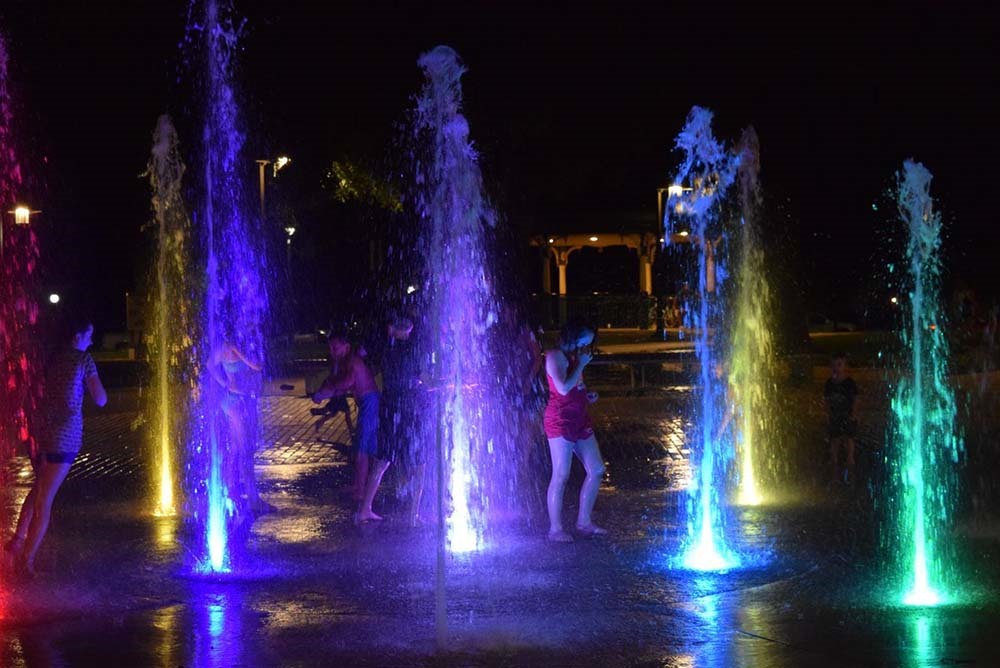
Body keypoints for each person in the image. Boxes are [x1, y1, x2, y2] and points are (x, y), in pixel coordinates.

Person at [6, 316, 106, 576]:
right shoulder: (84, 360)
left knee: (39, 487)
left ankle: (17, 542)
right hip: (65, 436)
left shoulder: (50, 358)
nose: (92, 341)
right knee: (45, 501)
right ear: (76, 337)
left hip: (40, 434)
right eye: (89, 336)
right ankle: (26, 562)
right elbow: (101, 399)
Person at [543, 317, 606, 542]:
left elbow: (574, 386)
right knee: (561, 474)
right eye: (583, 342)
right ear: (572, 336)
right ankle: (555, 529)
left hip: (580, 418)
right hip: (560, 420)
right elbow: (561, 388)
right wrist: (580, 364)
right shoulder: (555, 356)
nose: (585, 347)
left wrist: (586, 395)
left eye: (588, 343)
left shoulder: (573, 357)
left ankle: (584, 522)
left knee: (597, 469)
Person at [313, 331, 384, 521]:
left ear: (346, 347)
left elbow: (345, 383)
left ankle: (361, 491)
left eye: (335, 347)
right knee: (365, 446)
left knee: (362, 446)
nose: (332, 351)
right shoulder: (345, 361)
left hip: (370, 402)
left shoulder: (352, 362)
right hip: (367, 403)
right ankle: (360, 486)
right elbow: (337, 383)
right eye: (330, 347)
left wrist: (326, 389)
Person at [374, 315, 427, 526]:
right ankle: (413, 515)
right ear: (407, 329)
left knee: (385, 459)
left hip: (390, 410)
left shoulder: (387, 351)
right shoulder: (409, 351)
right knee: (420, 462)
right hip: (409, 411)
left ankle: (366, 507)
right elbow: (422, 376)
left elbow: (384, 380)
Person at [208, 342, 271, 516]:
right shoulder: (232, 345)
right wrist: (226, 384)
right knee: (246, 450)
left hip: (236, 400)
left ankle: (232, 493)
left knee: (237, 449)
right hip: (237, 402)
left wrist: (224, 383)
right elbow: (256, 365)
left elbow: (209, 365)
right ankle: (253, 499)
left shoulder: (228, 345)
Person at [824, 352, 859, 486]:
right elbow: (826, 400)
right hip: (835, 417)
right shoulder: (829, 384)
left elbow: (856, 399)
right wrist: (827, 414)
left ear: (845, 366)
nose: (836, 368)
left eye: (839, 365)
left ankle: (850, 467)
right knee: (834, 442)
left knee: (849, 441)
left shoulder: (849, 383)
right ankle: (835, 473)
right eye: (833, 365)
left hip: (847, 416)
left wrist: (854, 415)